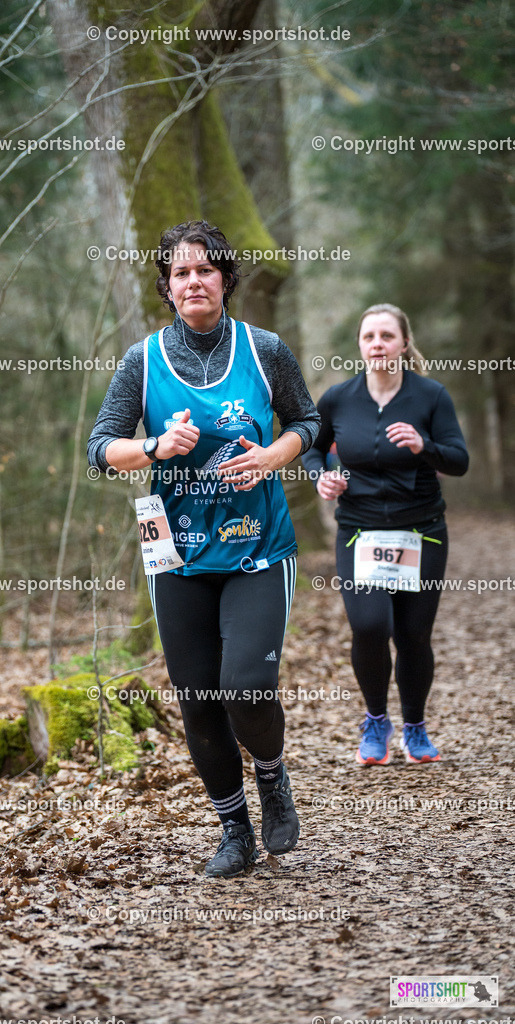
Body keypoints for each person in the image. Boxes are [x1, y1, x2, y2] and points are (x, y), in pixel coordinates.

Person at [87, 221, 320, 877]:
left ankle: (271, 774)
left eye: (205, 270)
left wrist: (273, 456)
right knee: (197, 699)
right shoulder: (142, 361)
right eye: (181, 272)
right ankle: (233, 832)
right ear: (166, 286)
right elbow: (100, 448)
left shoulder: (264, 349)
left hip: (257, 550)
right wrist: (155, 447)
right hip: (175, 556)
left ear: (225, 279)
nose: (194, 281)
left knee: (245, 686)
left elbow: (307, 421)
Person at [302, 304, 469, 766]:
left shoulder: (430, 396)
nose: (377, 344)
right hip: (360, 531)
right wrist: (321, 477)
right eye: (369, 336)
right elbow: (312, 449)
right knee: (370, 626)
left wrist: (423, 445)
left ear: (404, 344)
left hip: (422, 531)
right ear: (360, 345)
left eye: (387, 336)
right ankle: (376, 720)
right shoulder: (338, 398)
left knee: (414, 634)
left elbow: (459, 460)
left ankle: (415, 727)